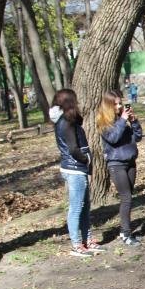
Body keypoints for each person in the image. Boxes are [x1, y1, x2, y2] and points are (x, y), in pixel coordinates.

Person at [49, 89, 100, 257]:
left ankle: (87, 240)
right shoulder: (66, 122)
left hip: (76, 168)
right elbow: (72, 148)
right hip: (74, 169)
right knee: (76, 208)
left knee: (85, 207)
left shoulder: (68, 120)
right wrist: (85, 159)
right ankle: (76, 244)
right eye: (75, 100)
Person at [97, 89, 143, 246]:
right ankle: (125, 234)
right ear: (108, 106)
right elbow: (114, 138)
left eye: (120, 103)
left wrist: (134, 121)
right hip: (116, 164)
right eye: (115, 104)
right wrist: (123, 121)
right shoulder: (103, 122)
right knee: (126, 197)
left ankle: (125, 230)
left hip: (130, 161)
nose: (119, 106)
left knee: (129, 198)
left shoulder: (121, 120)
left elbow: (138, 137)